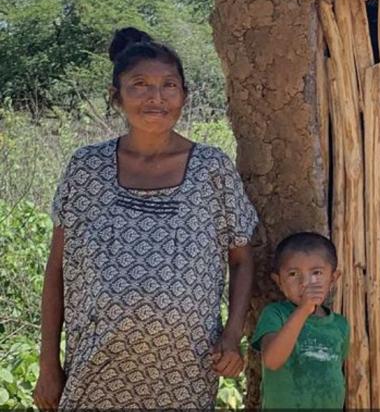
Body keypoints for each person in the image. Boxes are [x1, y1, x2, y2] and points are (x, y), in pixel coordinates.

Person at [32, 27, 258, 409]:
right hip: (95, 368)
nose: (156, 97)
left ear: (184, 96)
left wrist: (231, 334)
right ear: (115, 95)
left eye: (169, 85)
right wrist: (48, 364)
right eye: (139, 84)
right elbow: (57, 271)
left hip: (185, 373)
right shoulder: (86, 168)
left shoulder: (211, 169)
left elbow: (242, 259)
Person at [251, 232, 350, 410]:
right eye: (293, 274)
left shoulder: (340, 325)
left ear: (333, 278)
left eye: (317, 273)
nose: (305, 282)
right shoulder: (275, 315)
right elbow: (272, 360)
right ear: (279, 281)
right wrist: (303, 310)